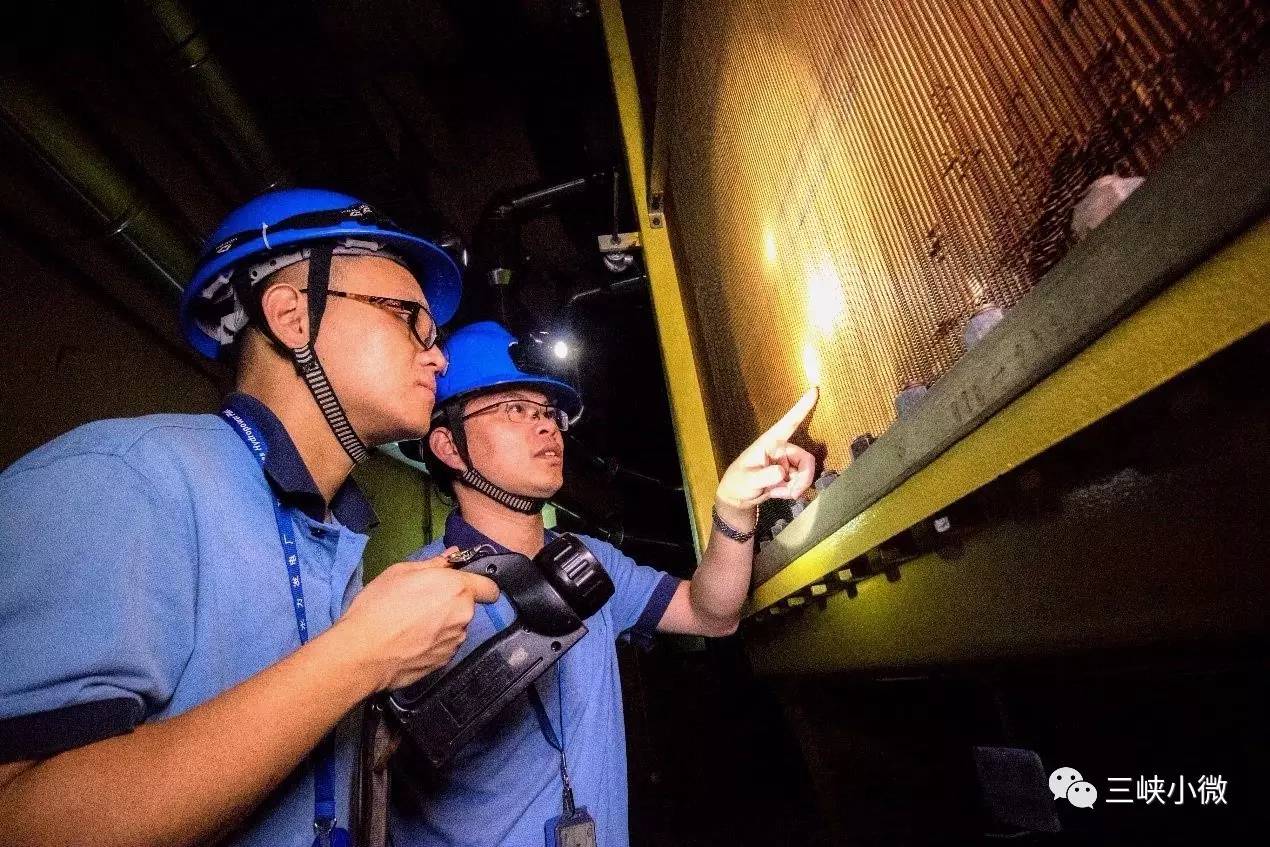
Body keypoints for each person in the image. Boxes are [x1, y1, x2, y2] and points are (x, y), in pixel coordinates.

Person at [0, 188, 498, 847]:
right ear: (293, 316)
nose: (437, 355)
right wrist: (363, 652)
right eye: (406, 315)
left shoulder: (334, 537)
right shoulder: (127, 475)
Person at [392, 320, 817, 846]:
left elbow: (713, 613)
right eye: (514, 410)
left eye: (548, 414)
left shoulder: (591, 560)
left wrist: (733, 508)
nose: (547, 427)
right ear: (449, 446)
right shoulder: (411, 592)